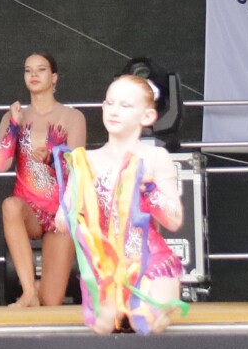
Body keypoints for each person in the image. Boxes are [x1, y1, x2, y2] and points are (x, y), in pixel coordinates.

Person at [59, 74, 186, 334]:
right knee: (104, 324)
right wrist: (69, 215)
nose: (114, 111)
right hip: (106, 270)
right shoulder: (84, 161)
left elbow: (174, 220)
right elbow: (63, 219)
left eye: (125, 105)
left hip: (149, 263)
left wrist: (150, 191)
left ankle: (152, 302)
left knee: (147, 321)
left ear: (147, 116)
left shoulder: (155, 157)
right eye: (110, 103)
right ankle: (121, 305)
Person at [0, 52, 86, 309]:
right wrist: (14, 125)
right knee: (10, 205)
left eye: (41, 69)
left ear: (54, 77)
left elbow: (78, 168)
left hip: (59, 213)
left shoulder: (73, 117)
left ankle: (38, 294)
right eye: (28, 70)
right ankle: (28, 290)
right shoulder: (14, 116)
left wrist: (51, 158)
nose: (33, 74)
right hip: (28, 209)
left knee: (51, 302)